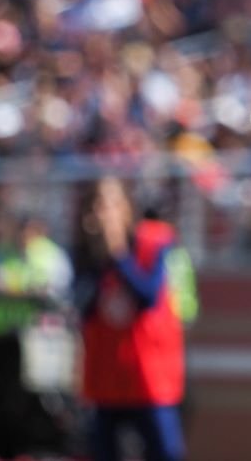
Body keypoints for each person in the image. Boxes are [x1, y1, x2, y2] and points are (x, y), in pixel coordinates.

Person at [74, 177, 186, 461]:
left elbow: (148, 294)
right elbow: (82, 307)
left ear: (127, 206)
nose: (105, 211)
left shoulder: (153, 242)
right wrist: (100, 259)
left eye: (112, 202)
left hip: (149, 377)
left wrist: (119, 254)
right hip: (106, 378)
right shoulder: (86, 251)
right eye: (99, 204)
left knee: (166, 452)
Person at [0, 209, 73, 458]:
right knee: (4, 400)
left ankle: (39, 448)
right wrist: (28, 290)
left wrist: (19, 289)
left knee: (38, 400)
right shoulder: (5, 253)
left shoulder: (50, 256)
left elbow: (55, 290)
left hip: (39, 342)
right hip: (3, 338)